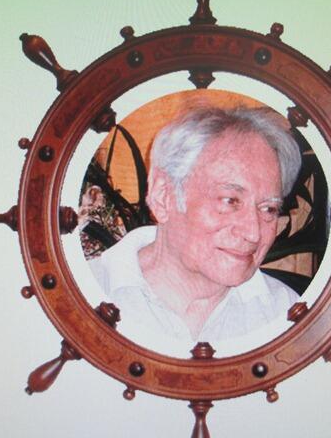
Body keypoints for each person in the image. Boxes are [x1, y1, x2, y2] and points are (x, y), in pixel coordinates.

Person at [89, 106, 302, 347]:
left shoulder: (285, 314)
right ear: (163, 196)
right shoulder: (81, 294)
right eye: (230, 201)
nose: (253, 233)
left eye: (269, 209)